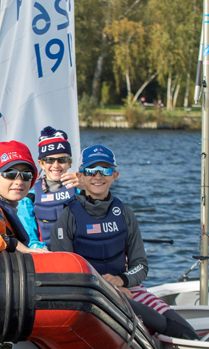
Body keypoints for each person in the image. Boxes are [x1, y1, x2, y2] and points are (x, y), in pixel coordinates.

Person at [51, 145, 198, 339]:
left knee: (182, 329)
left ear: (115, 175)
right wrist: (107, 287)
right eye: (90, 171)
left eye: (105, 170)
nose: (98, 176)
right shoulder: (67, 216)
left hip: (128, 289)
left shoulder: (125, 214)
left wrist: (121, 281)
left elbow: (141, 265)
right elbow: (65, 270)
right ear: (81, 176)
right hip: (87, 293)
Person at [17, 127, 80, 250]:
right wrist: (38, 249)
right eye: (49, 160)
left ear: (70, 163)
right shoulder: (30, 195)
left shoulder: (80, 190)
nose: (56, 165)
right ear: (41, 163)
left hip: (77, 254)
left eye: (62, 160)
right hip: (45, 255)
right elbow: (28, 234)